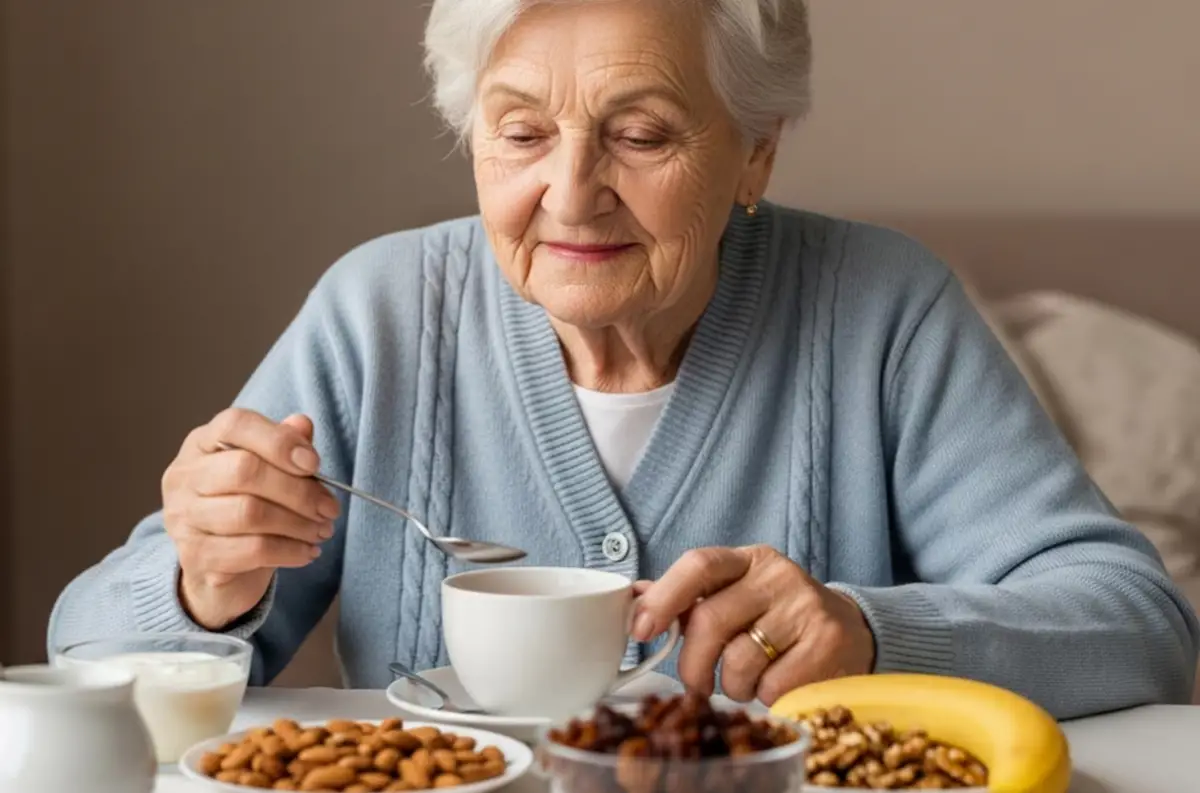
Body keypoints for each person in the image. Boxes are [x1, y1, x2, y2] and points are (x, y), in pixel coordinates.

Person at [48, 0, 1197, 718]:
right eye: (521, 133)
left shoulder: (881, 308)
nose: (571, 191)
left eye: (641, 134)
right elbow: (90, 651)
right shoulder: (381, 310)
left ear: (754, 154)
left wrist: (868, 629)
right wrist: (206, 587)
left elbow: (1136, 623)